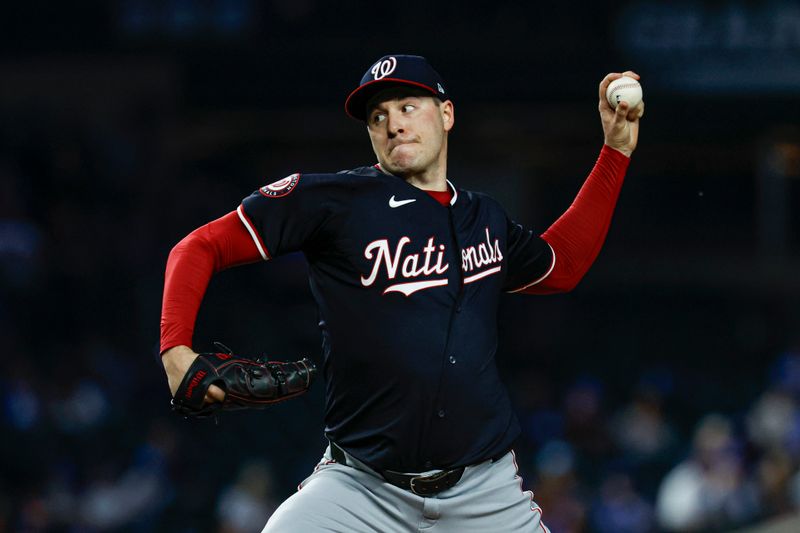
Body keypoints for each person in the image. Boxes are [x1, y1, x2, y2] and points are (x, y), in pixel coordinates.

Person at [159, 54, 644, 532]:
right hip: (360, 489)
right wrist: (174, 350)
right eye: (378, 115)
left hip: (484, 493)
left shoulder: (486, 219)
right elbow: (198, 247)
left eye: (408, 106)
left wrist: (615, 150)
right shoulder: (333, 202)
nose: (393, 123)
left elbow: (561, 266)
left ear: (447, 114)